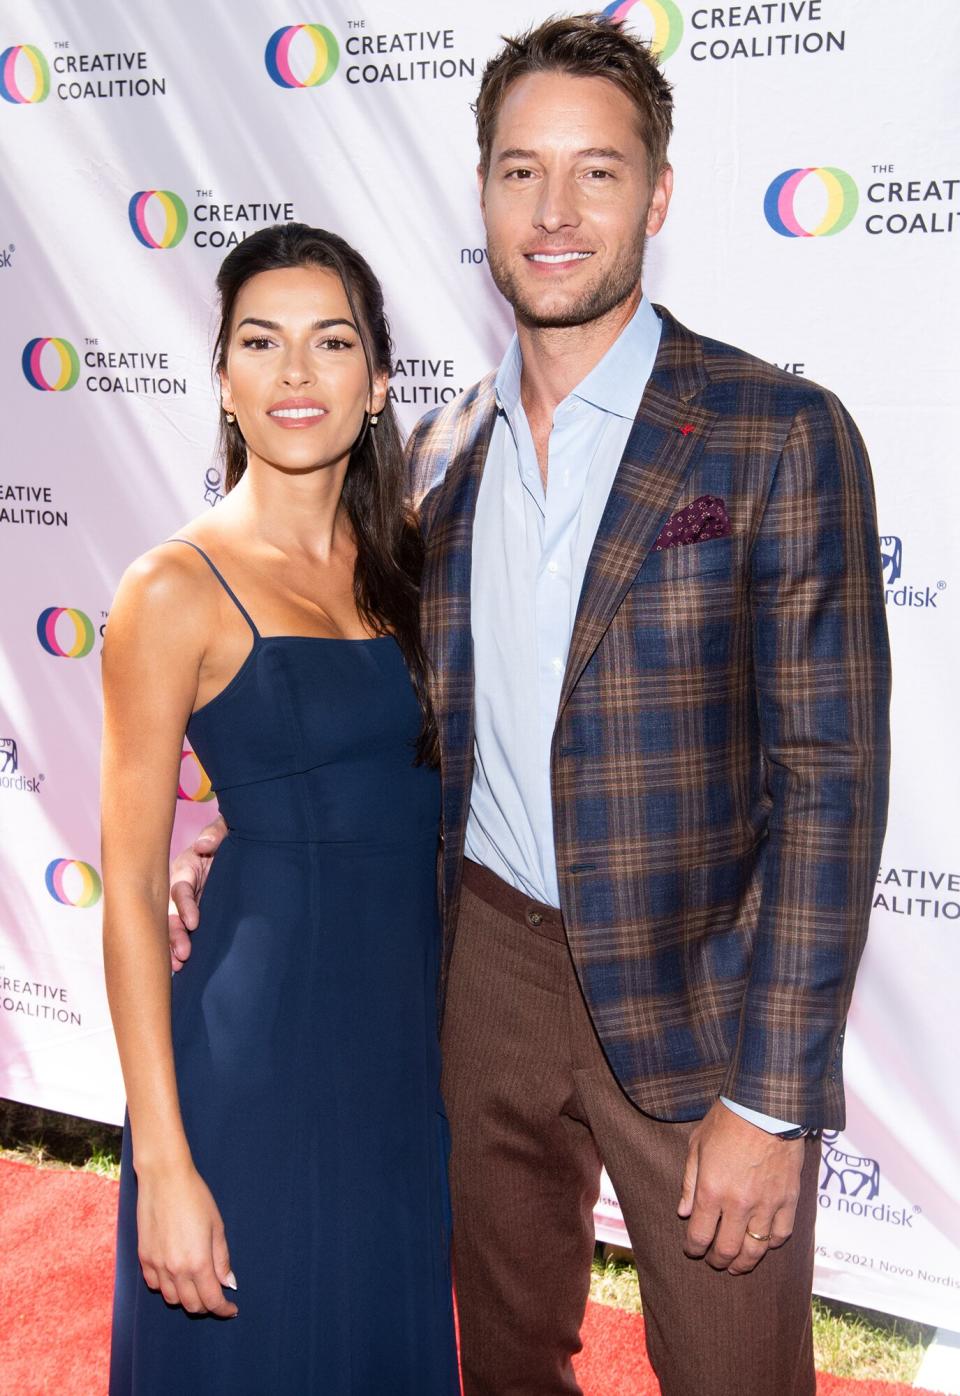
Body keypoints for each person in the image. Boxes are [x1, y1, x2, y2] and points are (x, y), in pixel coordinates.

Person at [170, 16, 891, 1396]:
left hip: (701, 1003)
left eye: (597, 174)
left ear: (658, 196)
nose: (554, 215)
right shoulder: (442, 457)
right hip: (479, 977)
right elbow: (374, 700)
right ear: (484, 195)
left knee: (739, 1377)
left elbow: (832, 787)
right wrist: (218, 818)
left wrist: (773, 1098)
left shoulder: (777, 435)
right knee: (500, 1365)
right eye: (520, 174)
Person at [102, 223, 459, 1396]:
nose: (295, 373)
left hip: (401, 1063)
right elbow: (125, 895)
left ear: (378, 384)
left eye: (330, 342)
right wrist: (162, 1160)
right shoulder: (170, 588)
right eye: (261, 342)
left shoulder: (414, 562)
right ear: (222, 378)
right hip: (249, 1067)